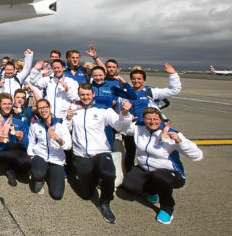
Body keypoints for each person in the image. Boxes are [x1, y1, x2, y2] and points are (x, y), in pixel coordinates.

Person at [121, 107, 203, 224]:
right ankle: (153, 192)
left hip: (170, 174)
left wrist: (179, 140)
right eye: (148, 119)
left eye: (155, 119)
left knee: (160, 176)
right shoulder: (139, 129)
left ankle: (167, 208)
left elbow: (197, 156)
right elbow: (122, 128)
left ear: (161, 119)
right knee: (130, 184)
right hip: (147, 170)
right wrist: (126, 116)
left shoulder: (171, 133)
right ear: (143, 119)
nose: (152, 122)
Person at [66, 83, 132, 224]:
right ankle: (93, 177)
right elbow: (67, 129)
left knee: (109, 174)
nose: (85, 97)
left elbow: (120, 126)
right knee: (85, 194)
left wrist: (125, 114)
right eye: (82, 95)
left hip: (100, 152)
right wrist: (68, 118)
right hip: (81, 154)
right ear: (79, 95)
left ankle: (105, 202)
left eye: (88, 95)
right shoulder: (73, 109)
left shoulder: (104, 110)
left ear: (93, 94)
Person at [122, 63, 182, 172]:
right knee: (130, 154)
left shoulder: (151, 92)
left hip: (149, 129)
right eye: (134, 79)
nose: (136, 81)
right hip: (132, 129)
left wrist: (173, 74)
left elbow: (174, 90)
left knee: (149, 154)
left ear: (143, 79)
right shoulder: (125, 93)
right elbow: (120, 111)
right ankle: (130, 177)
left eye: (139, 79)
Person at [0, 92, 31, 187]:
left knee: (27, 162)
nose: (7, 106)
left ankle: (11, 169)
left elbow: (25, 144)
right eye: (4, 104)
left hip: (11, 149)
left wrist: (20, 139)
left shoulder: (20, 119)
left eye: (9, 104)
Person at [28, 99, 72, 198]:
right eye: (40, 108)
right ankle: (39, 178)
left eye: (45, 107)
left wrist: (58, 139)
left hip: (56, 159)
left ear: (50, 107)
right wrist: (31, 156)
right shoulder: (35, 124)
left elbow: (68, 146)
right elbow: (31, 142)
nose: (42, 110)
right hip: (41, 155)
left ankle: (49, 173)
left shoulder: (61, 123)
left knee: (57, 195)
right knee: (38, 173)